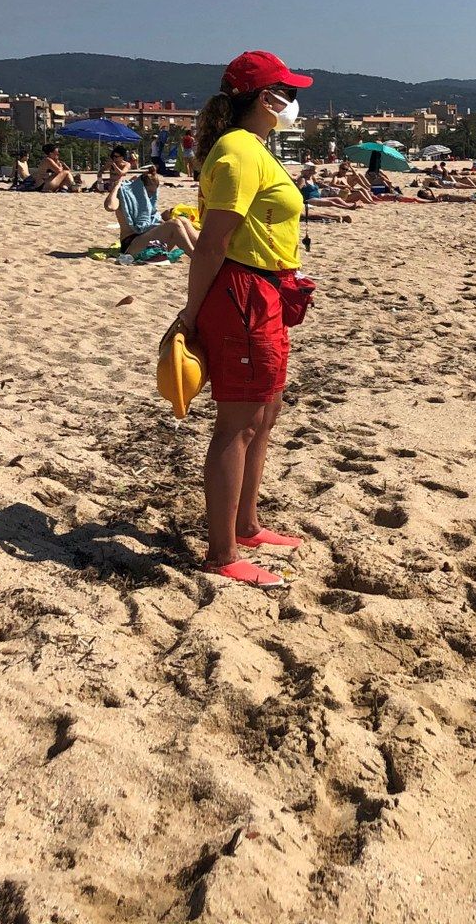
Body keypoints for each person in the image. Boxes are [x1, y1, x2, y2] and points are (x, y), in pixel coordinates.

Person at [169, 50, 313, 588]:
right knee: (238, 423)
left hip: (267, 288)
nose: (295, 103)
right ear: (264, 100)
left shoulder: (252, 148)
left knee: (266, 413)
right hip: (241, 291)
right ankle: (222, 553)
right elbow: (212, 243)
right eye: (288, 92)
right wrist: (191, 314)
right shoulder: (236, 152)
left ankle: (247, 525)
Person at [106, 160, 198, 256]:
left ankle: (203, 250)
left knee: (182, 220)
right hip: (131, 244)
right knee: (174, 224)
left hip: (150, 239)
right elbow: (110, 207)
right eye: (149, 192)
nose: (151, 196)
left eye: (154, 193)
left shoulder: (148, 203)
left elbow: (154, 222)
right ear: (140, 188)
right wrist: (116, 187)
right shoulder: (126, 195)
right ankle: (195, 256)